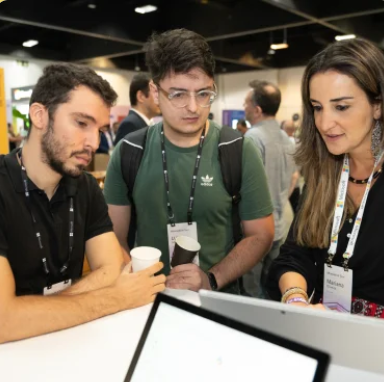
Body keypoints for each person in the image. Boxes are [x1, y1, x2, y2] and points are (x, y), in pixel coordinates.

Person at [0, 63, 165, 344]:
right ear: (40, 115)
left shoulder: (85, 186)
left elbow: (111, 268)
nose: (94, 142)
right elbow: (4, 322)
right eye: (81, 123)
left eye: (100, 129)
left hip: (75, 348)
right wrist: (113, 298)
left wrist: (30, 310)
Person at [104, 29, 274, 294]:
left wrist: (211, 279)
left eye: (203, 93)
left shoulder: (238, 150)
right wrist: (136, 281)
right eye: (179, 94)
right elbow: (114, 237)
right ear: (155, 92)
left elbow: (260, 234)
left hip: (217, 303)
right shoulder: (129, 151)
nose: (194, 107)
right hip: (148, 301)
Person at [267, 38, 384, 319]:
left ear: (378, 106)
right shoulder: (326, 173)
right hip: (326, 332)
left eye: (341, 107)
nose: (323, 123)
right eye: (317, 107)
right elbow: (294, 255)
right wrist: (295, 298)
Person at [242, 80, 298, 298]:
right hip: (279, 225)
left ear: (256, 109)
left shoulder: (253, 138)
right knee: (269, 287)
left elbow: (248, 189)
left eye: (246, 102)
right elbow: (292, 180)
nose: (243, 106)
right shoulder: (287, 139)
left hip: (256, 230)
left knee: (251, 291)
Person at [114, 72, 160, 145]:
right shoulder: (130, 125)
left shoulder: (146, 123)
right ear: (141, 96)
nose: (159, 98)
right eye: (155, 93)